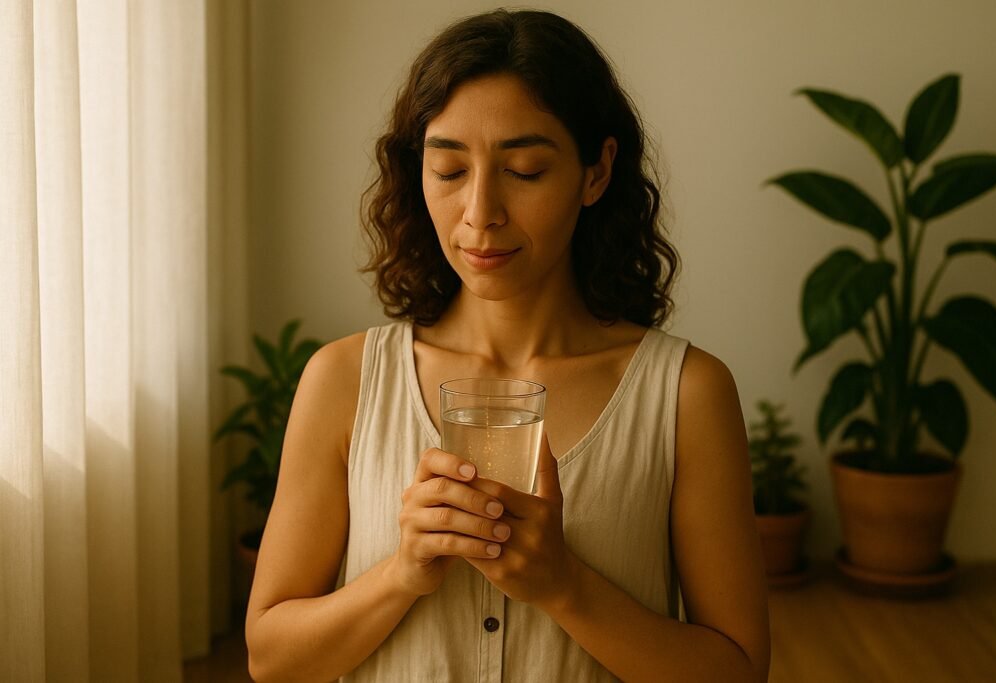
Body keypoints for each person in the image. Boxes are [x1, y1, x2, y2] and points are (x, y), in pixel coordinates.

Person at [245, 8, 769, 682]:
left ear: (596, 172)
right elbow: (271, 659)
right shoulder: (343, 381)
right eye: (449, 169)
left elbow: (739, 672)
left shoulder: (686, 394)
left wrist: (564, 585)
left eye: (523, 170)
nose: (480, 213)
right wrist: (401, 575)